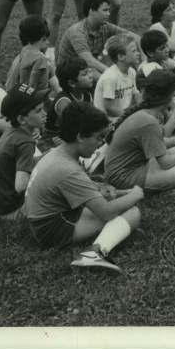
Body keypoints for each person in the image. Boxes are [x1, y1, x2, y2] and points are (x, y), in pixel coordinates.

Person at [25, 101, 144, 274]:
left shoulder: (58, 153)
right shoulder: (67, 168)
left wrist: (118, 193)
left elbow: (86, 190)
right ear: (80, 136)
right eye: (98, 137)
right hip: (52, 229)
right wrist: (135, 194)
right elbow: (106, 212)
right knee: (132, 211)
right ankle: (94, 253)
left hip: (47, 219)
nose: (100, 143)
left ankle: (116, 231)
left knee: (116, 203)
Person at [102, 70, 175, 200]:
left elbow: (159, 142)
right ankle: (169, 192)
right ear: (172, 94)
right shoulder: (148, 121)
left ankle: (168, 187)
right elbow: (165, 164)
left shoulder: (146, 112)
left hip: (131, 166)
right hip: (122, 177)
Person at [0, 85, 48, 219]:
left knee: (49, 160)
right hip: (12, 211)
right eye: (39, 110)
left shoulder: (13, 131)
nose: (45, 113)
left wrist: (48, 157)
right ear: (22, 119)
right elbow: (21, 185)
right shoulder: (24, 142)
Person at [55, 0, 139, 73]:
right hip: (69, 73)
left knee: (127, 58)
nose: (108, 14)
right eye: (105, 10)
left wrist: (143, 64)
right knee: (94, 70)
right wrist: (114, 75)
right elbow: (89, 61)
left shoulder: (105, 26)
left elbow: (135, 38)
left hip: (86, 69)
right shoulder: (77, 32)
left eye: (108, 10)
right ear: (92, 11)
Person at [92, 34, 142, 121]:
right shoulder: (110, 77)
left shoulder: (131, 72)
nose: (138, 53)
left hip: (122, 116)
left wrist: (143, 110)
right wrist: (131, 118)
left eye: (137, 50)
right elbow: (110, 108)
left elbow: (136, 95)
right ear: (121, 57)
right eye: (134, 51)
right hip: (107, 121)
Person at [4, 15, 55, 94]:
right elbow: (30, 89)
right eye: (44, 39)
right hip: (23, 100)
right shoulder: (39, 58)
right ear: (41, 38)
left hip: (9, 95)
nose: (48, 42)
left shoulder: (23, 53)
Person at [45, 57, 94, 138]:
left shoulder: (87, 95)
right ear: (71, 83)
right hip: (53, 140)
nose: (91, 76)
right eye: (84, 74)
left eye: (89, 71)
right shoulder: (64, 101)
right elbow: (72, 126)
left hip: (75, 136)